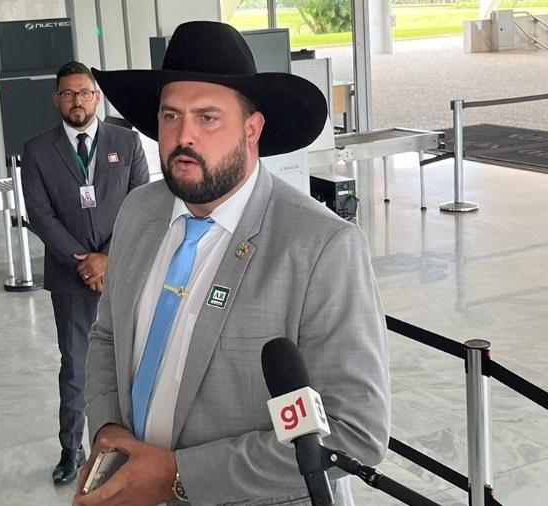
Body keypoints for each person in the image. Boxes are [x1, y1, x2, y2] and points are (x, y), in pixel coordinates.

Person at [76, 22, 389, 505]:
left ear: (252, 130)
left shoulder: (321, 246)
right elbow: (108, 336)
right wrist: (109, 431)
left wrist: (181, 476)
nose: (184, 138)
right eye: (170, 116)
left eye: (207, 118)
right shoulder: (140, 211)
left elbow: (354, 432)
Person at [21, 61, 149, 486]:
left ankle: (131, 447)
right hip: (70, 277)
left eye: (85, 92)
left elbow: (143, 206)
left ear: (97, 96)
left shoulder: (126, 142)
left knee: (131, 361)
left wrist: (108, 259)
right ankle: (70, 450)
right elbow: (39, 215)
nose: (78, 101)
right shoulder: (38, 150)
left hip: (124, 272)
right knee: (75, 366)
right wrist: (84, 261)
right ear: (57, 99)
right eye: (68, 94)